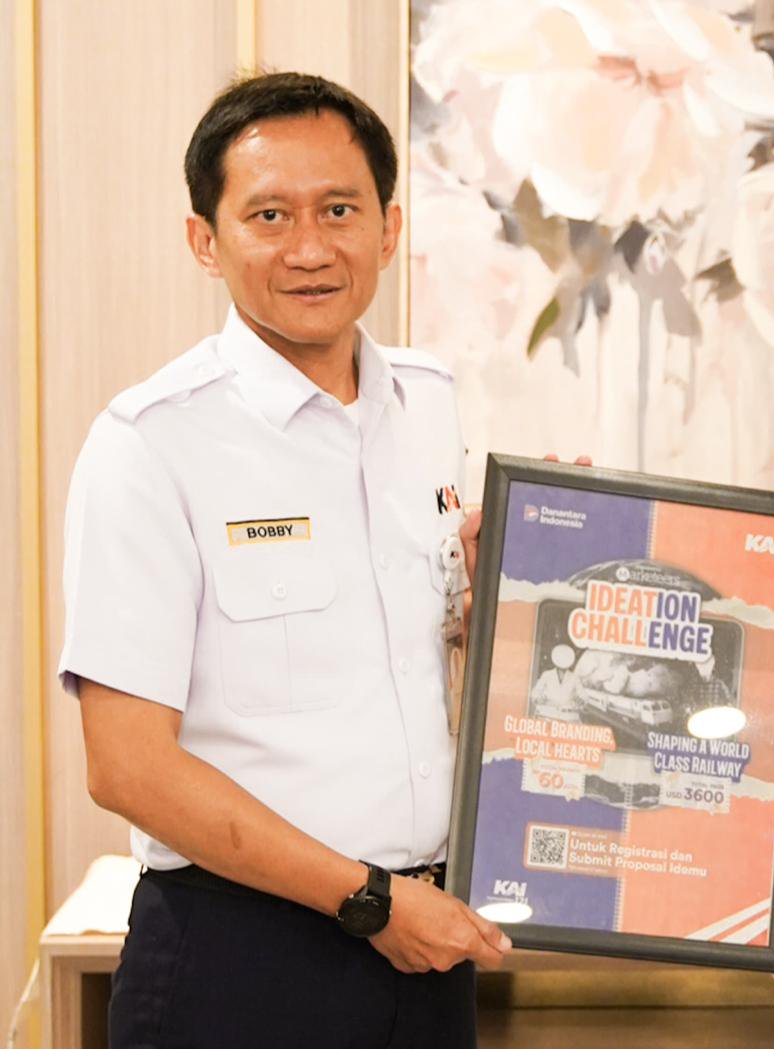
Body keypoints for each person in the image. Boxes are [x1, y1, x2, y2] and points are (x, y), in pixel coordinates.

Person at [59, 72, 511, 1049]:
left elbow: (431, 644)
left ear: (388, 229)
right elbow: (126, 764)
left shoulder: (428, 403)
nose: (310, 247)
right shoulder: (150, 442)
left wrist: (518, 597)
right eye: (269, 215)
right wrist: (367, 900)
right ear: (204, 241)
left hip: (428, 943)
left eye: (339, 209)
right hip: (240, 958)